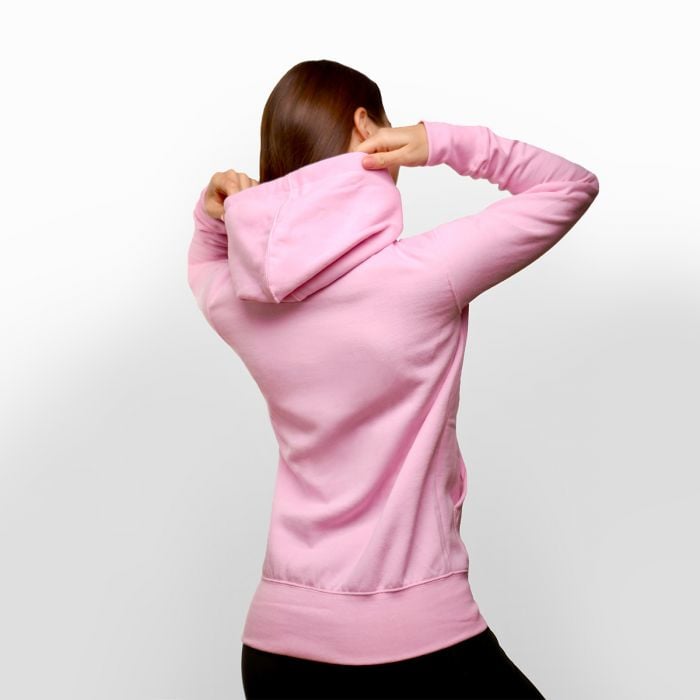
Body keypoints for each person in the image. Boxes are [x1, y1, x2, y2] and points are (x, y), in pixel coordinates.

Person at [187, 59, 599, 699]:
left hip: (275, 648)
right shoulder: (424, 275)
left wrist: (214, 214)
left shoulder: (242, 306)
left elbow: (204, 263)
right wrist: (441, 142)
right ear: (365, 125)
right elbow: (571, 186)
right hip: (413, 643)